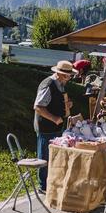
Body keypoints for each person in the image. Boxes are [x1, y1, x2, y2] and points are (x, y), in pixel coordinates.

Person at [34, 60, 77, 192]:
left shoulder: (60, 84)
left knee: (53, 156)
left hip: (56, 126)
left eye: (70, 76)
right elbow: (38, 107)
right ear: (59, 74)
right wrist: (54, 118)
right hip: (46, 126)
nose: (69, 78)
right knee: (45, 156)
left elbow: (57, 100)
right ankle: (43, 186)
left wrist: (67, 105)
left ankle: (51, 183)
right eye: (67, 76)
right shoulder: (48, 84)